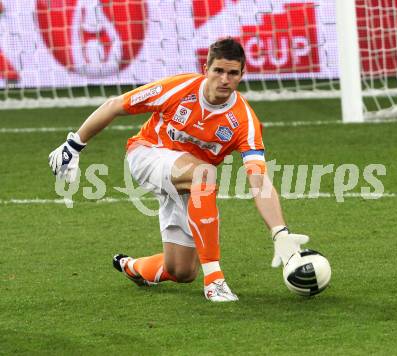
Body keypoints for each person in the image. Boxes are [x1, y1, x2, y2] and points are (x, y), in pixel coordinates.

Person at [49, 38, 309, 302]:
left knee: (182, 270)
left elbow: (259, 180)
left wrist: (280, 232)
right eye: (218, 71)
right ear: (205, 68)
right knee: (204, 173)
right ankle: (215, 281)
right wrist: (73, 145)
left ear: (242, 75)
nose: (224, 79)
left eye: (232, 73)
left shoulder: (244, 121)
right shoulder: (180, 87)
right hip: (147, 155)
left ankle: (132, 266)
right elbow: (116, 105)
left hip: (186, 182)